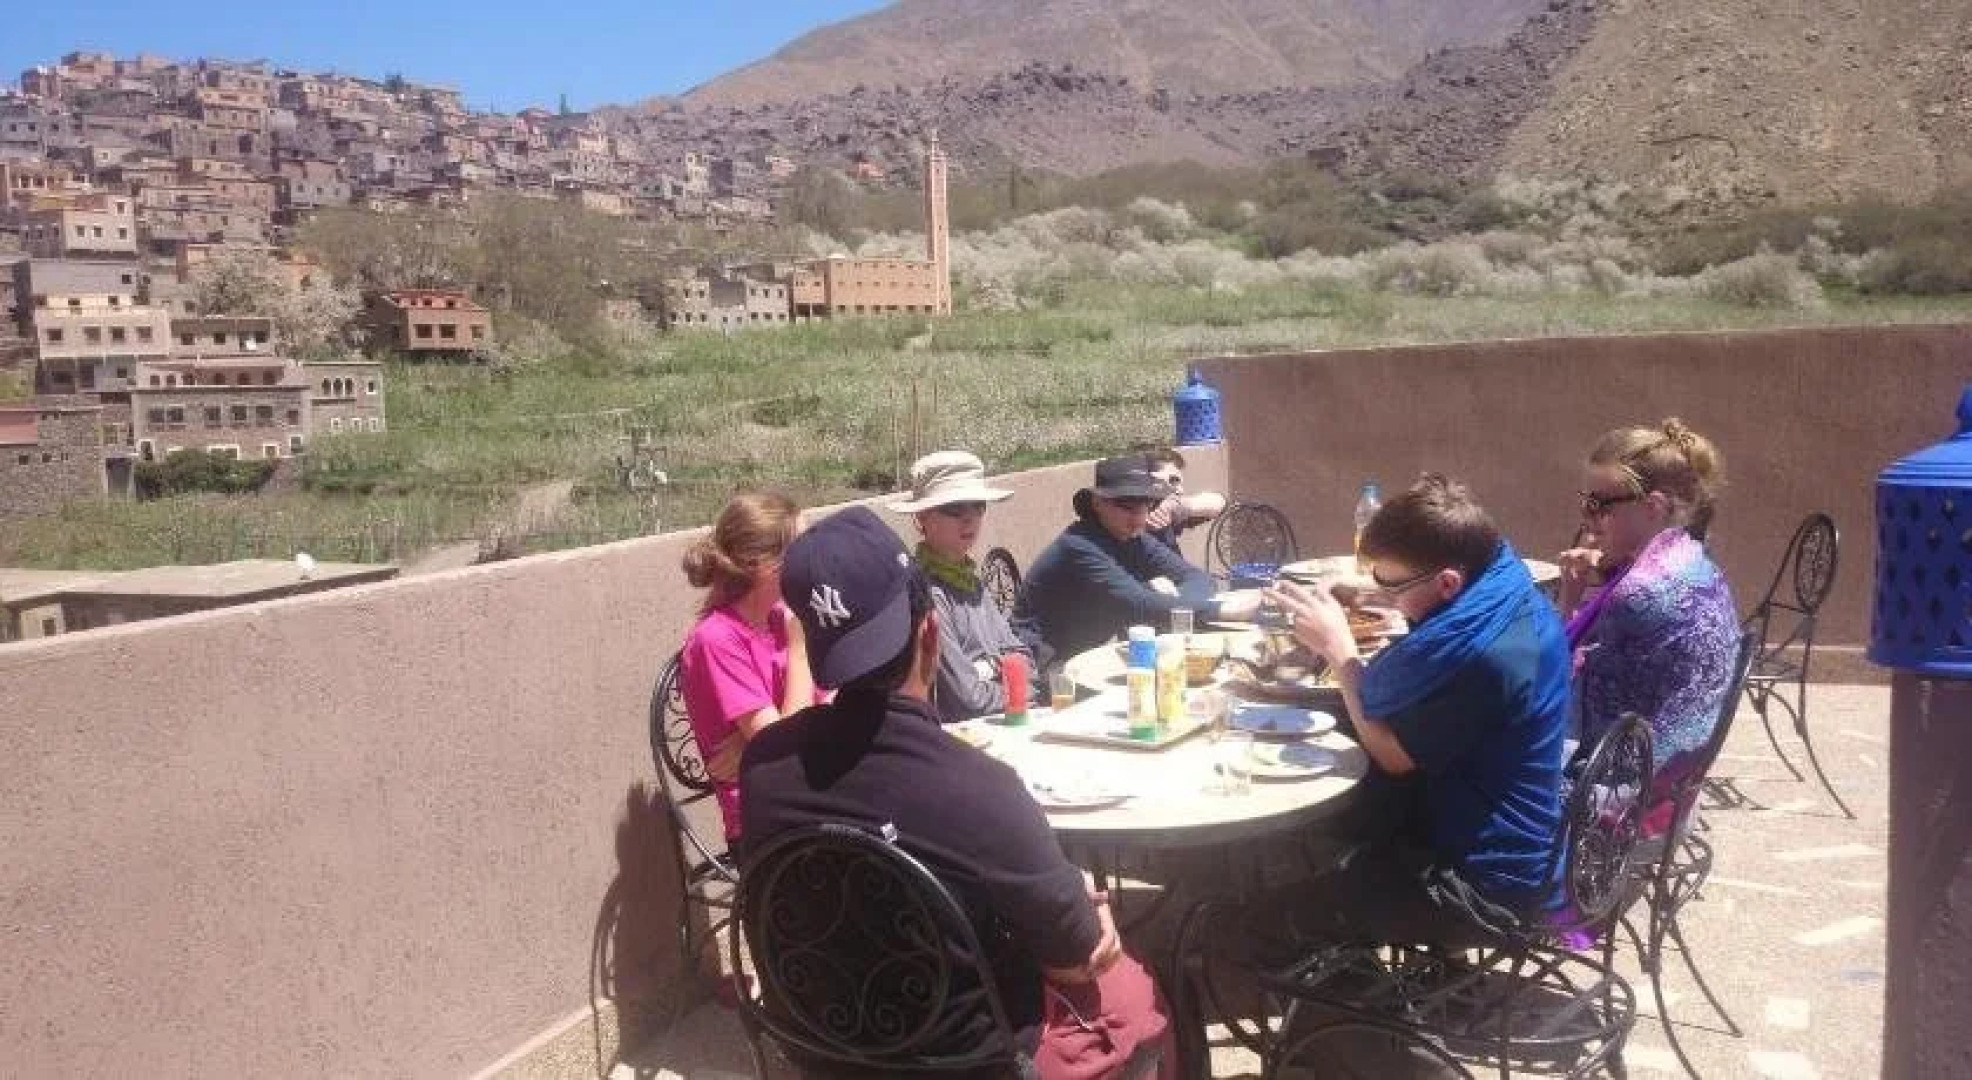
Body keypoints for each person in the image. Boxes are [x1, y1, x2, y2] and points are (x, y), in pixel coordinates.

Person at [741, 507, 1176, 1078]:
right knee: (1143, 994)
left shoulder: (764, 767)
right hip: (970, 1064)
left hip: (822, 1051)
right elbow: (1077, 960)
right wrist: (1094, 925)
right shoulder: (978, 787)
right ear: (931, 632)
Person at [1244, 474, 1572, 945]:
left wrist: (1340, 652)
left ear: (1447, 582)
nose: (1384, 593)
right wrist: (1371, 591)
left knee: (1264, 918)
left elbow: (1393, 756)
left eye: (1391, 585)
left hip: (1485, 882)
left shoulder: (1485, 658)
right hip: (1499, 830)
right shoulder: (1505, 593)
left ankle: (1331, 977)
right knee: (1338, 825)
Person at [1558, 419, 1737, 832]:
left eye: (1600, 504)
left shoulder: (1639, 593)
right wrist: (1602, 576)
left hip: (1624, 805)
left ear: (1653, 507)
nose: (1588, 518)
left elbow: (1557, 681)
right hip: (1674, 788)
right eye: (1585, 501)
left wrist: (1569, 599)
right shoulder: (1691, 554)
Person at [1012, 454, 1260, 670]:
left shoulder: (1133, 538)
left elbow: (1198, 578)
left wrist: (1170, 601)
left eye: (1146, 505)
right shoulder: (1079, 547)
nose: (1139, 517)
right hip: (1042, 665)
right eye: (1128, 507)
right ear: (1098, 503)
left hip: (1084, 654)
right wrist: (1223, 610)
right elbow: (1140, 606)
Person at [676, 491, 817, 844]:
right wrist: (801, 649)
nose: (812, 561)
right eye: (802, 550)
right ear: (762, 564)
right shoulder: (718, 640)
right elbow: (784, 748)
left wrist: (752, 741)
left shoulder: (778, 618)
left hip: (812, 792)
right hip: (772, 826)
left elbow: (835, 698)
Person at [889, 449, 1036, 724]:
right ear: (921, 517)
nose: (969, 518)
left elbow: (1025, 658)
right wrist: (1011, 680)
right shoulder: (927, 593)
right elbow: (967, 699)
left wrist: (986, 669)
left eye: (978, 505)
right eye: (954, 508)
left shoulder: (969, 579)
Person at [1138, 446, 1227, 553]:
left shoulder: (1171, 510)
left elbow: (1219, 503)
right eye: (1173, 480)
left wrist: (1177, 507)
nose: (1180, 490)